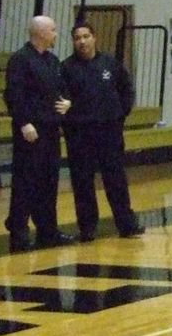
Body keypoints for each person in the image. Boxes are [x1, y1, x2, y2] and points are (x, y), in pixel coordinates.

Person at [61, 22, 146, 241]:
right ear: (73, 42)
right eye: (77, 38)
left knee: (116, 178)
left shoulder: (110, 63)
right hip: (80, 134)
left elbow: (126, 89)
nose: (82, 41)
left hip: (109, 131)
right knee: (82, 182)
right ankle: (87, 228)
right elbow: (61, 101)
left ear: (94, 37)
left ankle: (126, 224)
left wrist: (120, 114)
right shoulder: (66, 68)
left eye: (86, 36)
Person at [4, 16, 75, 251]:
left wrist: (67, 103)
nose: (56, 34)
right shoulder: (21, 60)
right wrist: (23, 122)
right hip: (30, 131)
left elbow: (61, 90)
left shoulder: (53, 61)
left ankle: (48, 230)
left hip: (51, 128)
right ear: (41, 33)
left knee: (49, 180)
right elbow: (14, 94)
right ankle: (18, 230)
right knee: (26, 180)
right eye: (53, 30)